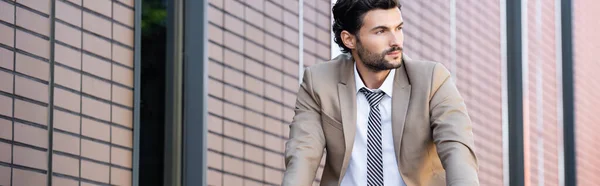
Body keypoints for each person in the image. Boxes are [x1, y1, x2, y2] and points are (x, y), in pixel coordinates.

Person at [282, 0, 479, 185]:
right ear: (349, 39)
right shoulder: (319, 82)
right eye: (381, 31)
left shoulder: (432, 80)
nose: (396, 41)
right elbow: (302, 154)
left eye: (398, 28)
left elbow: (456, 148)